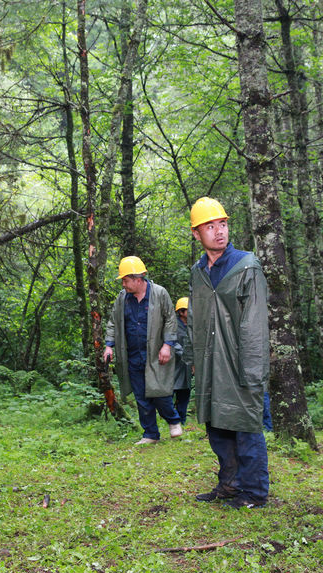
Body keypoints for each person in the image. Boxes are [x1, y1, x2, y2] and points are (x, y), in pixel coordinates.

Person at [185, 197, 270, 509]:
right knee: (217, 425)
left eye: (222, 223)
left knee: (246, 426)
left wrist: (253, 371)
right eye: (210, 226)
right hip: (210, 363)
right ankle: (230, 485)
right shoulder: (198, 272)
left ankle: (255, 493)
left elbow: (255, 324)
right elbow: (194, 318)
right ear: (197, 233)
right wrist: (193, 361)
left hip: (240, 363)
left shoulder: (247, 266)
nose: (219, 231)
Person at [104, 256, 182, 444]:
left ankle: (173, 421)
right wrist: (108, 345)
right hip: (132, 354)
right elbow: (113, 322)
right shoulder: (122, 298)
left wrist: (167, 345)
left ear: (138, 279)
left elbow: (171, 320)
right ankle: (150, 434)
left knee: (160, 391)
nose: (123, 284)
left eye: (125, 280)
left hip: (156, 352)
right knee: (141, 396)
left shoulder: (159, 293)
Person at [172, 297, 193, 425]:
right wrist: (186, 355)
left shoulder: (193, 326)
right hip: (173, 365)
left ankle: (182, 420)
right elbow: (171, 342)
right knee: (170, 392)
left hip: (187, 367)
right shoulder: (173, 325)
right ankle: (172, 419)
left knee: (185, 392)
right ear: (181, 312)